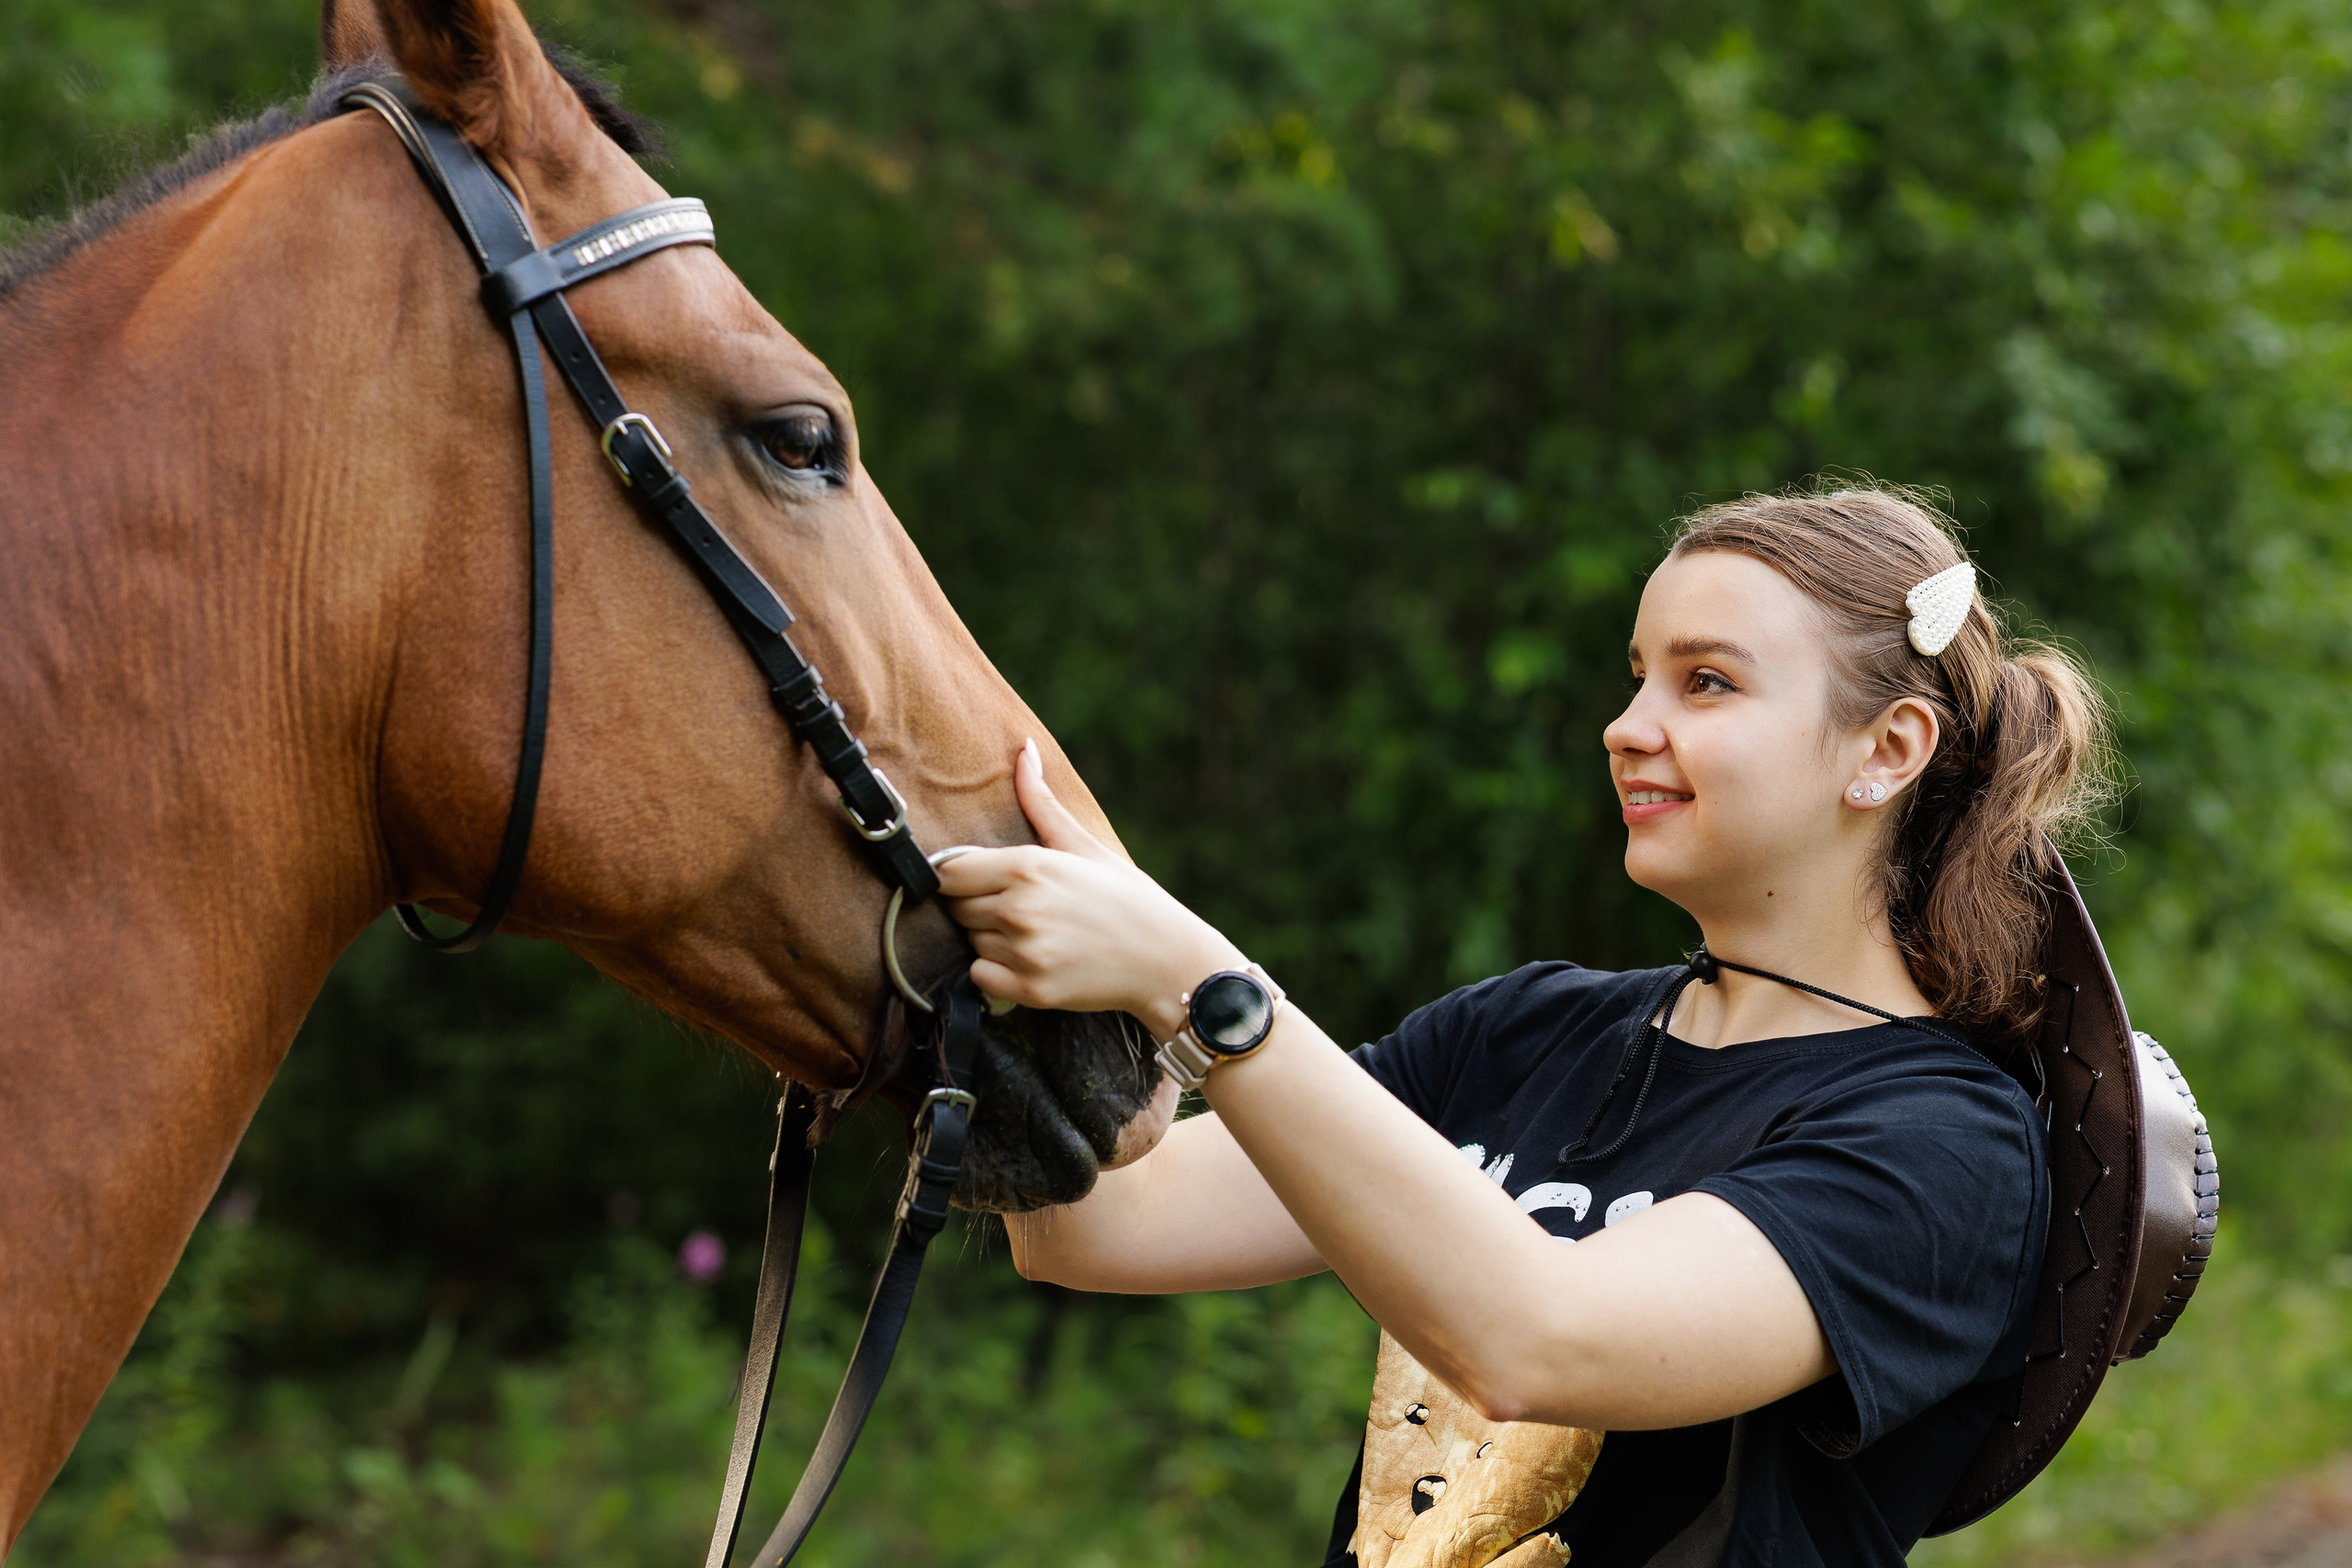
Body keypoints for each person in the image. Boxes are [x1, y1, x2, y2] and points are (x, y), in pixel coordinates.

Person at [935, 487, 2111, 1568]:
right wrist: (1021, 975)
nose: (1627, 725)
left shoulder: (1943, 1144)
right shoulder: (1525, 1033)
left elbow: (1535, 1339)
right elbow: (1091, 1230)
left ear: (1886, 751)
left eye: (1706, 683)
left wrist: (1201, 986)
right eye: (1637, 674)